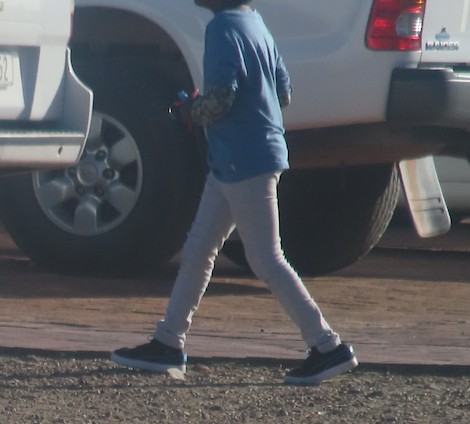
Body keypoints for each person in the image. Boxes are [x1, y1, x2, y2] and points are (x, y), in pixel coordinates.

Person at [112, 0, 357, 386]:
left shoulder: (222, 28)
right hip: (240, 158)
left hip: (242, 160)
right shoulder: (254, 23)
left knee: (265, 257)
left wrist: (188, 110)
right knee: (198, 249)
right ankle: (168, 342)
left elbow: (220, 102)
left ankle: (327, 346)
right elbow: (283, 92)